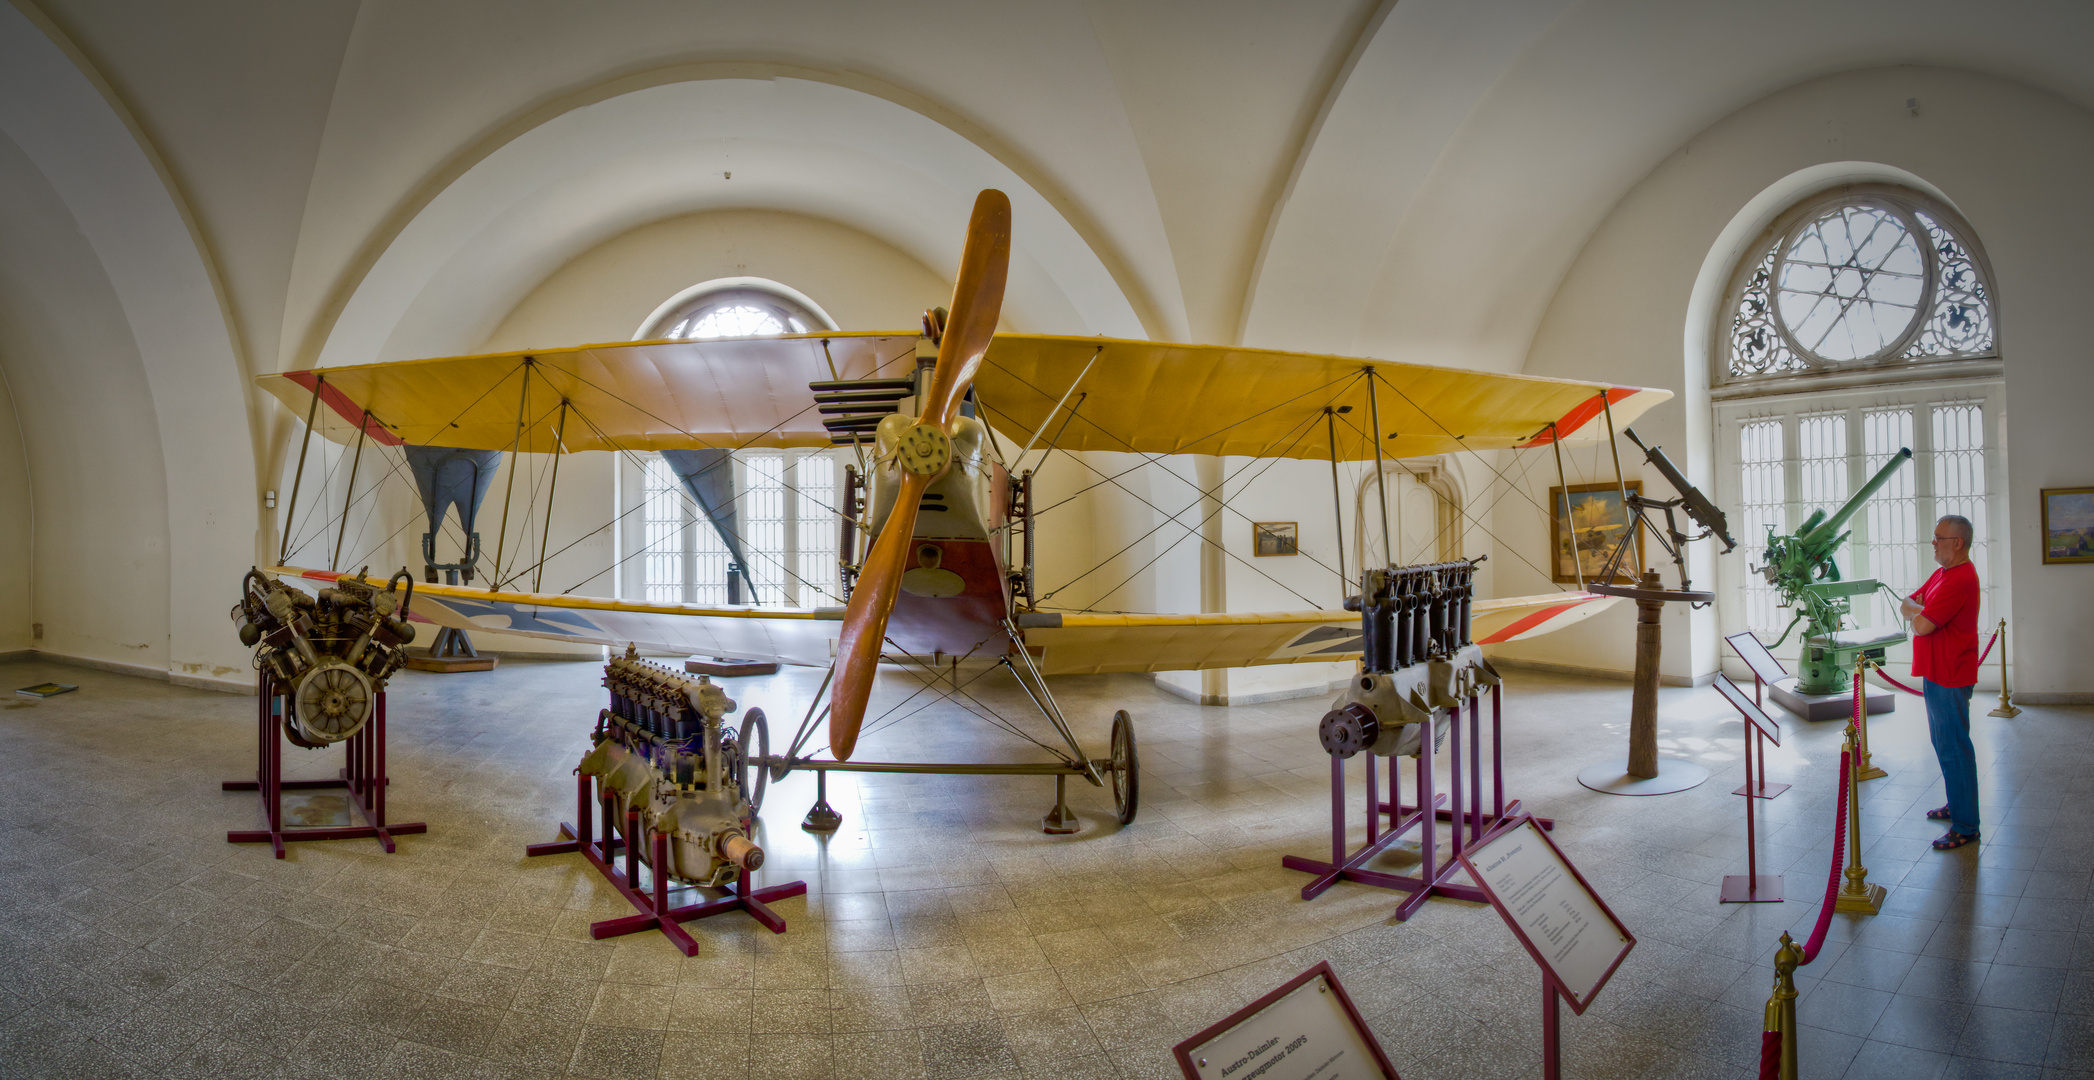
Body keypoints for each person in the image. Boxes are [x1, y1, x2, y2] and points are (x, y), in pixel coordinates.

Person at [1902, 514, 1981, 850]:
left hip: (1950, 674)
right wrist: (1916, 609)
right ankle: (1958, 803)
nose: (1933, 542)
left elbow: (1920, 625)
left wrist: (1916, 611)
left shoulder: (1959, 579)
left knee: (1954, 749)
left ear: (1958, 543)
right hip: (1936, 671)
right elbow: (1909, 601)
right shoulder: (1942, 573)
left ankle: (1966, 825)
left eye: (1939, 537)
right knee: (1944, 745)